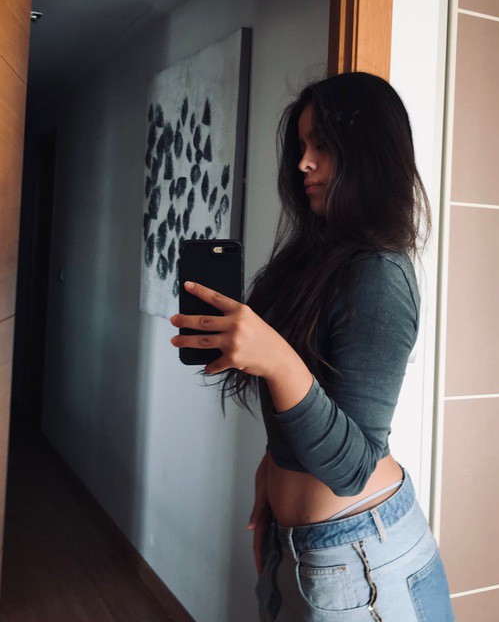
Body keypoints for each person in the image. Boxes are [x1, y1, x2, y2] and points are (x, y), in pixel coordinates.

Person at [169, 71, 455, 620]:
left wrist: (276, 360)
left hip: (364, 559)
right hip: (299, 547)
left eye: (322, 145)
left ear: (368, 154)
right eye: (302, 146)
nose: (303, 163)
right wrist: (273, 465)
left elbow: (353, 468)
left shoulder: (380, 274)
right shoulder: (315, 260)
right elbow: (317, 400)